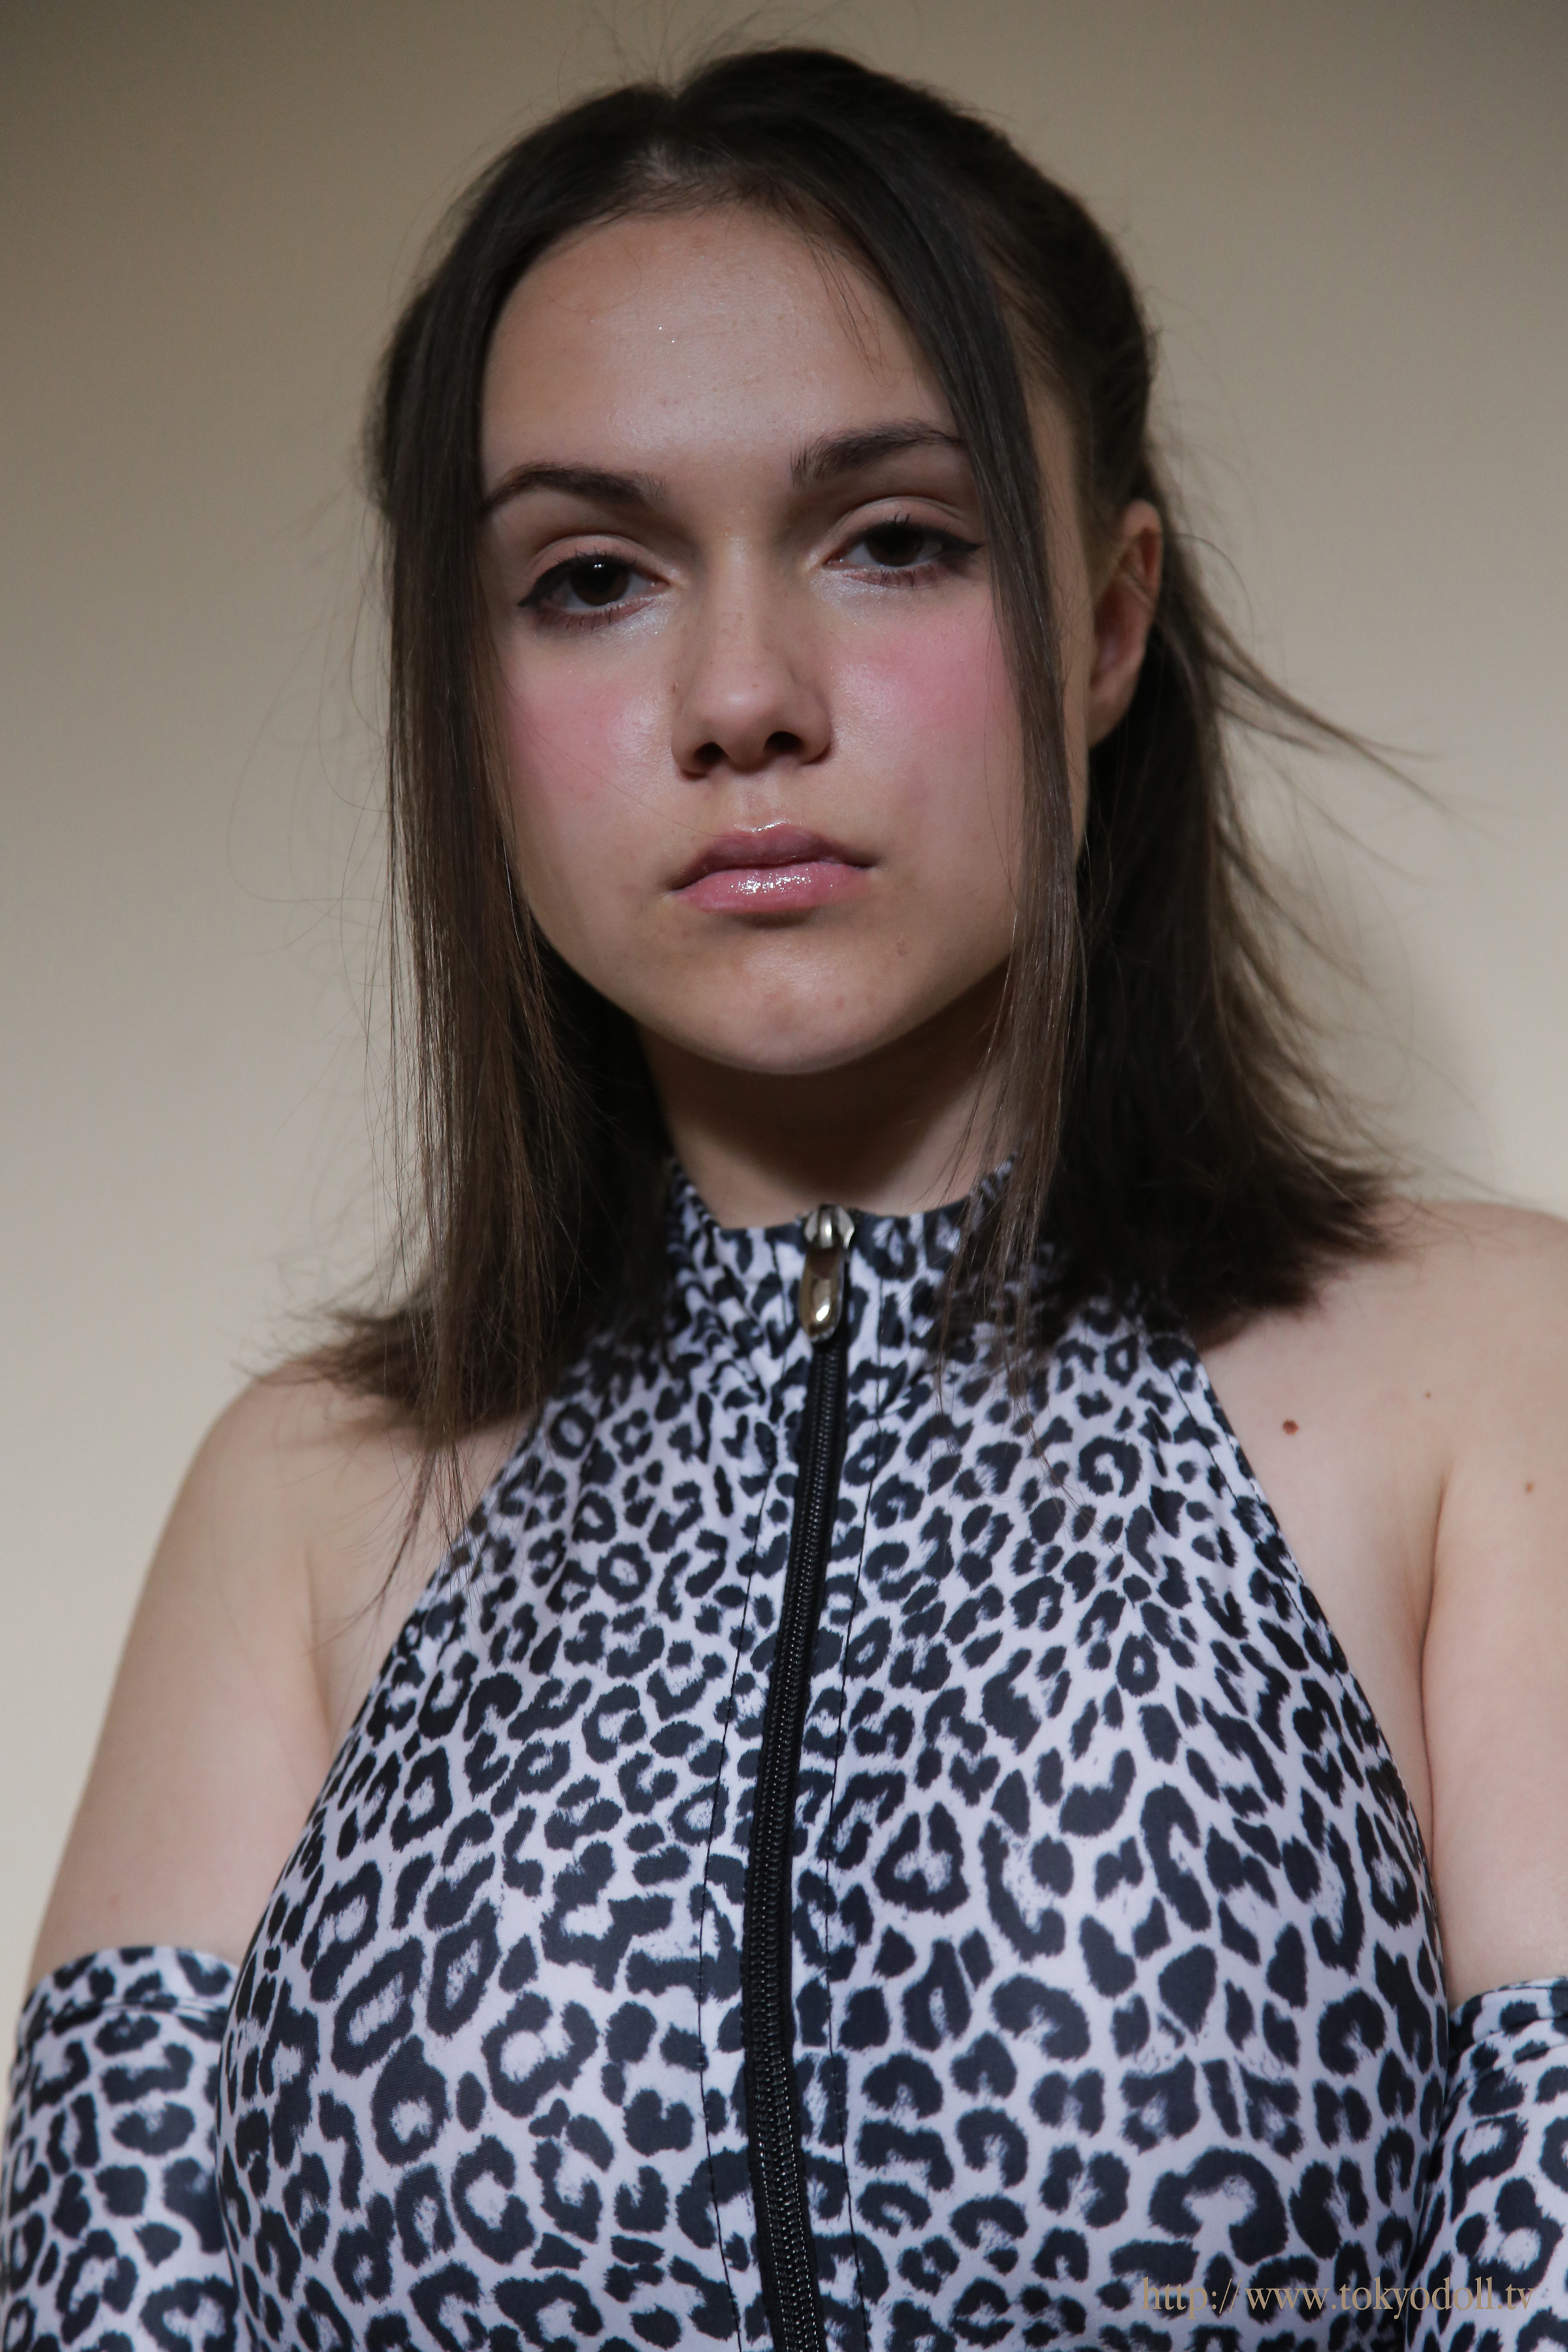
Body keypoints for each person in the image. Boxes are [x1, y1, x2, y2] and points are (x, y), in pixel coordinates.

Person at [4, 43, 1566, 2352]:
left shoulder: (1487, 1379)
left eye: (894, 539)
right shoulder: (306, 1499)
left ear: (1109, 619)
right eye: (591, 577)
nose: (742, 697)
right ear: (468, 697)